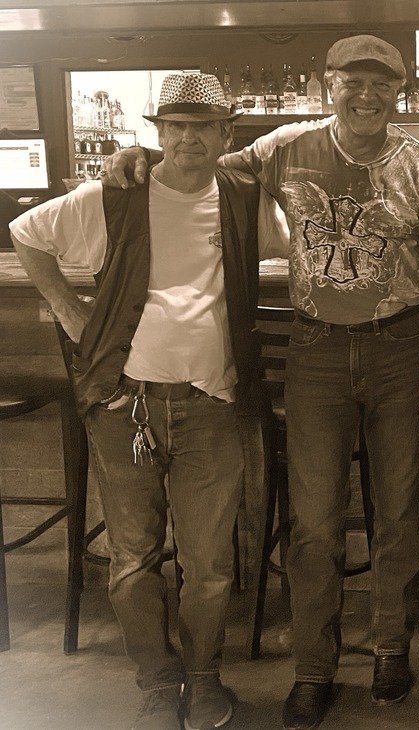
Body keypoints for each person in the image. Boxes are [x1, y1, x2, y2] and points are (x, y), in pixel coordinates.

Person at [102, 35, 419, 730]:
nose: (366, 95)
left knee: (399, 514)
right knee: (314, 521)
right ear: (329, 85)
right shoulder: (284, 149)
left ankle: (391, 647)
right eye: (352, 81)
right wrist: (139, 154)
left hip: (402, 348)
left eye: (381, 83)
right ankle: (312, 667)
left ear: (399, 91)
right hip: (316, 351)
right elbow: (199, 162)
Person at [11, 73, 284, 730]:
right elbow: (26, 232)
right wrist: (70, 311)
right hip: (123, 406)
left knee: (209, 564)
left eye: (203, 126)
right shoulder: (112, 196)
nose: (189, 138)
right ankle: (159, 684)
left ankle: (204, 678)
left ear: (226, 134)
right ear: (158, 133)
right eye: (176, 126)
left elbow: (291, 244)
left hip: (213, 404)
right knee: (133, 560)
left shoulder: (244, 199)